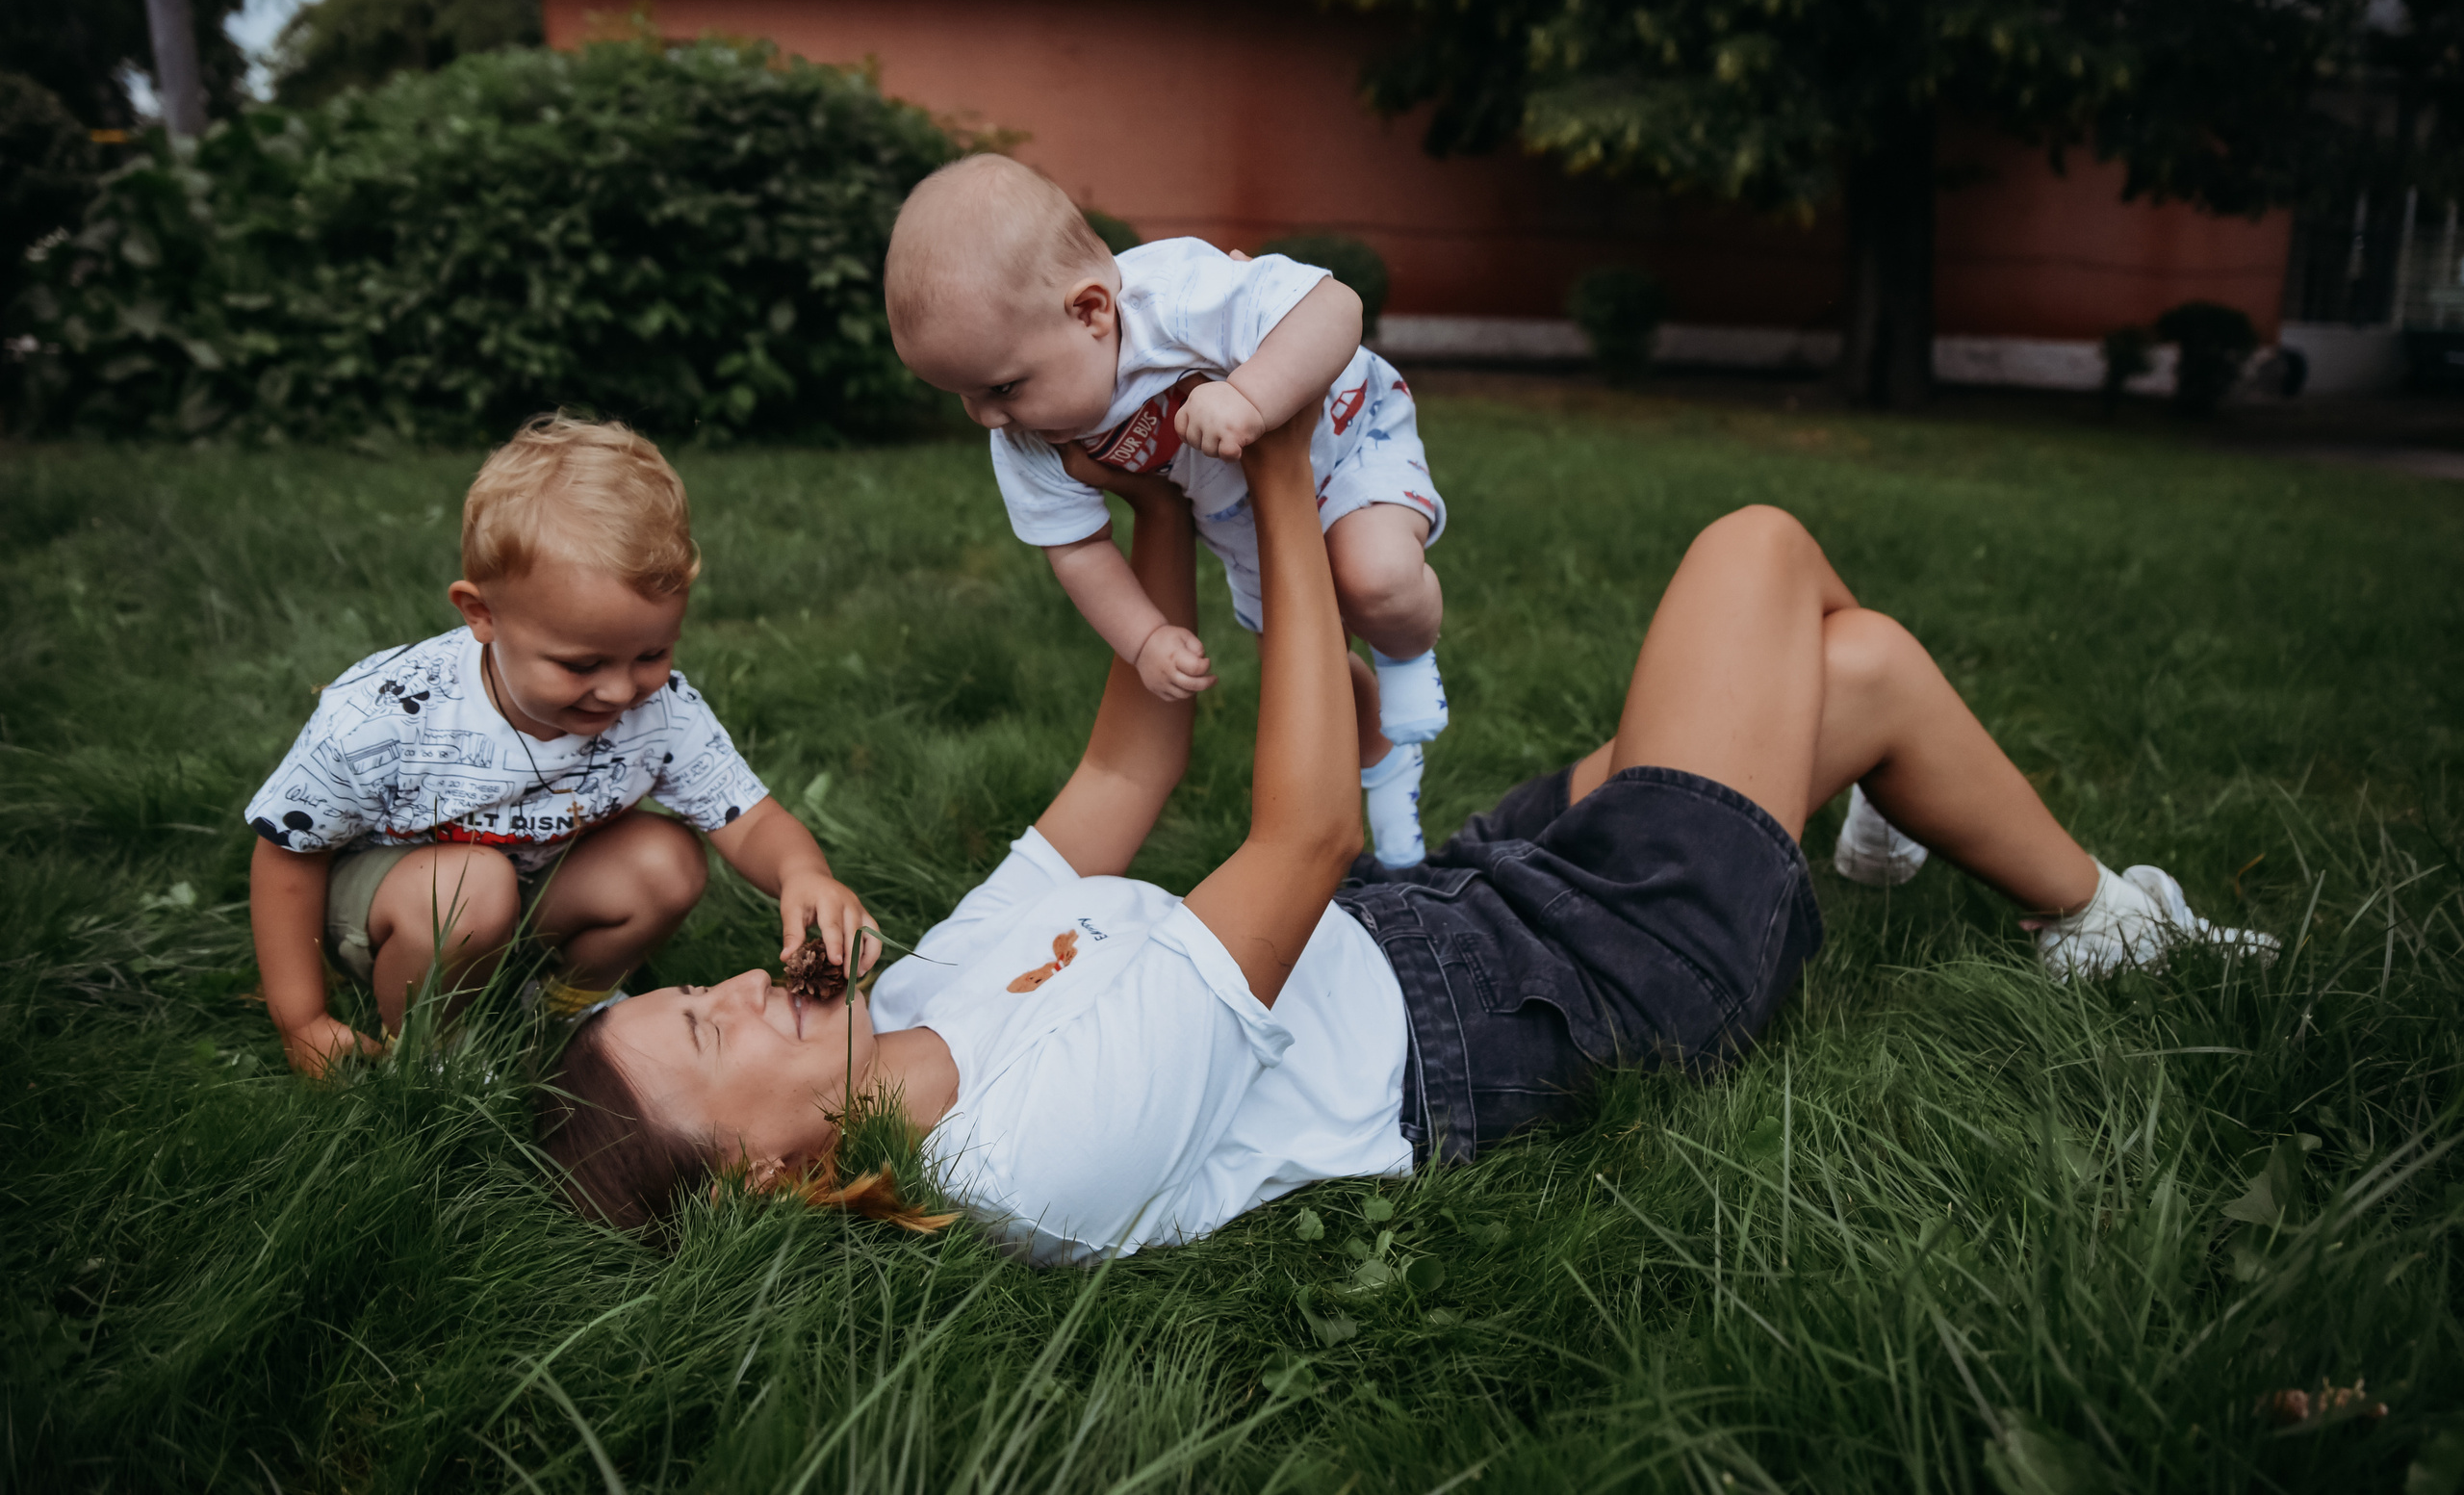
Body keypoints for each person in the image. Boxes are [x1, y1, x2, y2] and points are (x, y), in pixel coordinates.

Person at [536, 410, 2259, 1255]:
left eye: (693, 991)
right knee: (1759, 548)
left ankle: (1989, 869)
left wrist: (1140, 502)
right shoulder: (1023, 1156)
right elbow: (1289, 840)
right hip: (1569, 992)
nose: (733, 986)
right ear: (768, 1174)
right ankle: (2080, 912)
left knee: (1853, 669)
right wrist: (1280, 484)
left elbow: (1127, 772)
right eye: (703, 1031)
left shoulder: (918, 993)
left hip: (1438, 916)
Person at [247, 415, 877, 1076]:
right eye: (581, 665)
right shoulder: (384, 715)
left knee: (668, 858)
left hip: (527, 895)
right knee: (473, 886)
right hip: (394, 909)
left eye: (652, 653)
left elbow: (748, 821)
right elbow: (287, 855)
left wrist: (802, 872)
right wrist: (303, 1020)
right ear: (481, 613)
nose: (617, 691)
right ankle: (433, 1046)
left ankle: (558, 1010)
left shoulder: (659, 709)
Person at [885, 154, 1449, 864]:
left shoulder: (1179, 297)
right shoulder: (1028, 437)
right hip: (1242, 517)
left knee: (1375, 580)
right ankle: (1384, 759)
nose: (987, 419)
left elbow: (1335, 307)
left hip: (1348, 437)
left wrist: (1252, 395)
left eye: (1001, 388)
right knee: (1307, 673)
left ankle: (1408, 656)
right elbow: (1077, 549)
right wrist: (1146, 637)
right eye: (961, 397)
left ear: (1090, 311)